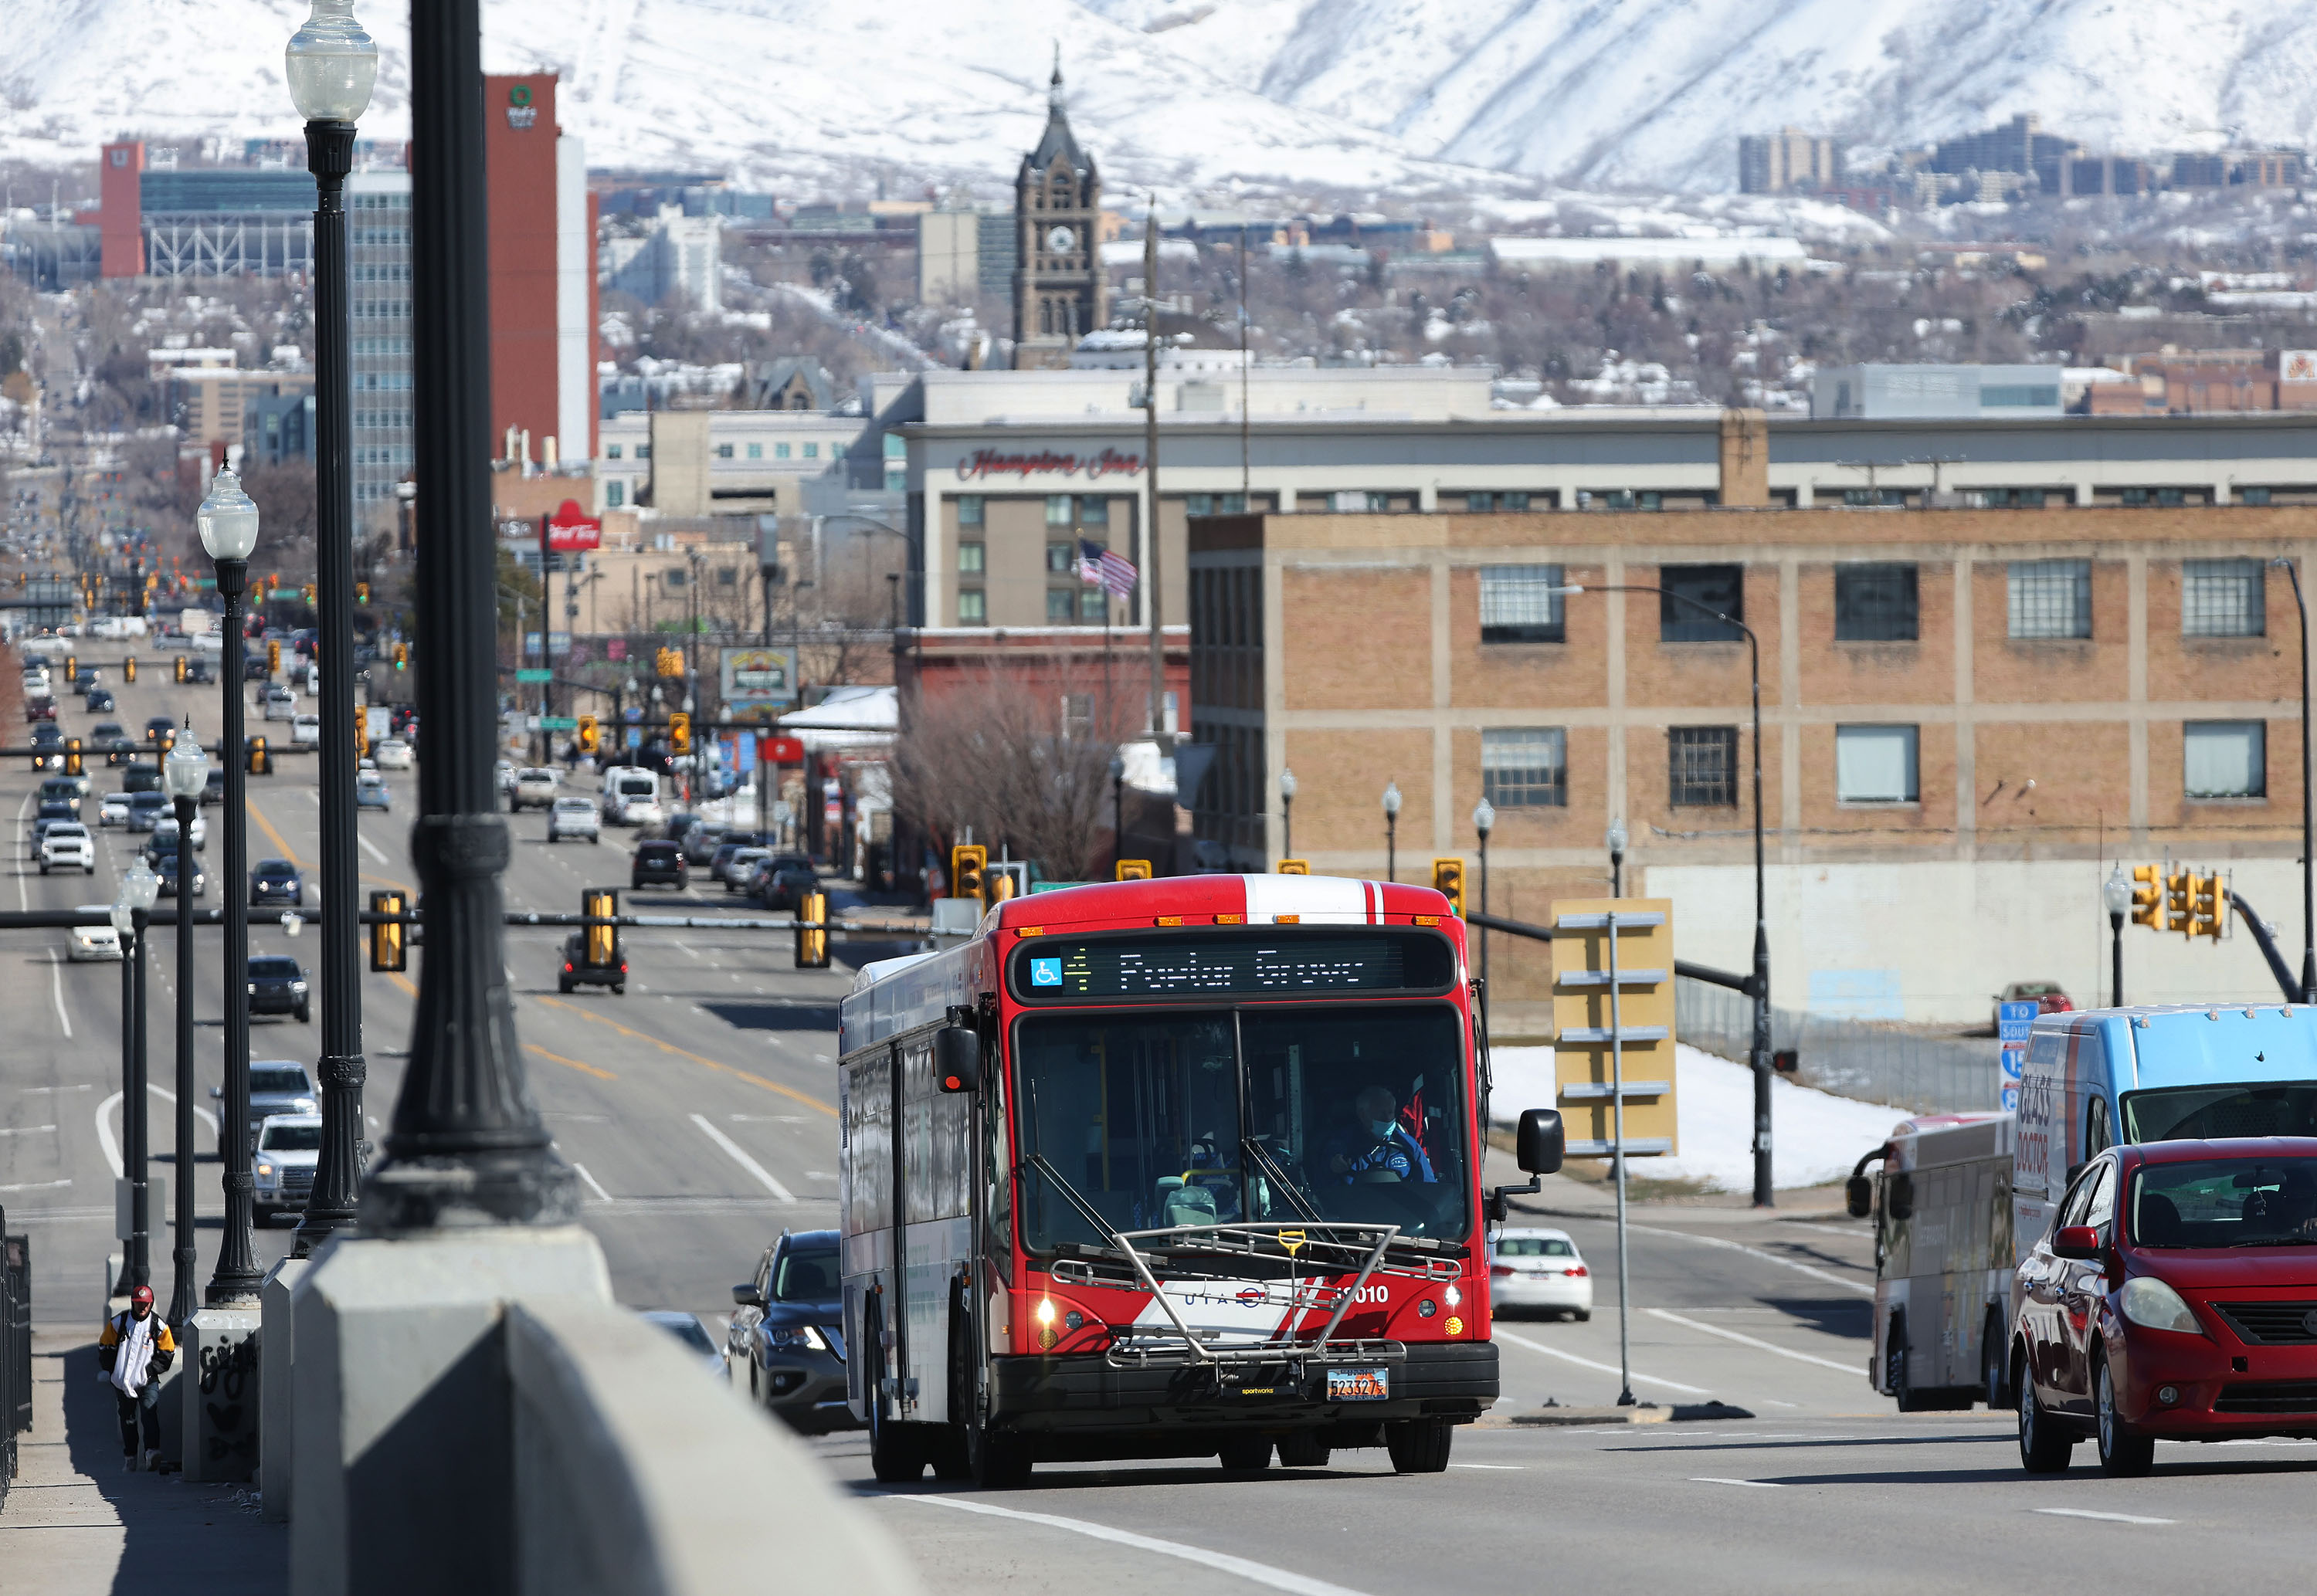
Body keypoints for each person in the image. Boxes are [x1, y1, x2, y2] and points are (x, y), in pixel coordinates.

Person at [97, 1284, 175, 1472]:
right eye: (139, 1304)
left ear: (151, 1304)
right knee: (128, 1419)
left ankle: (151, 1452)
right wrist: (115, 1370)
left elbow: (168, 1351)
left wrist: (149, 1371)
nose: (143, 1308)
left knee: (150, 1413)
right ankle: (130, 1456)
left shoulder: (158, 1325)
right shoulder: (119, 1322)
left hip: (148, 1381)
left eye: (146, 1304)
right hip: (123, 1382)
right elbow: (104, 1346)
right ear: (133, 1304)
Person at [1325, 1086, 1436, 1184]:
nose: (1387, 1119)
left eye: (1390, 1112)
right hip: (1354, 1204)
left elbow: (1429, 1186)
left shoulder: (1408, 1144)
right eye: (1381, 1113)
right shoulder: (1342, 1142)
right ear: (1362, 1114)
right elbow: (1322, 1180)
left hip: (1399, 1205)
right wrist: (1334, 1165)